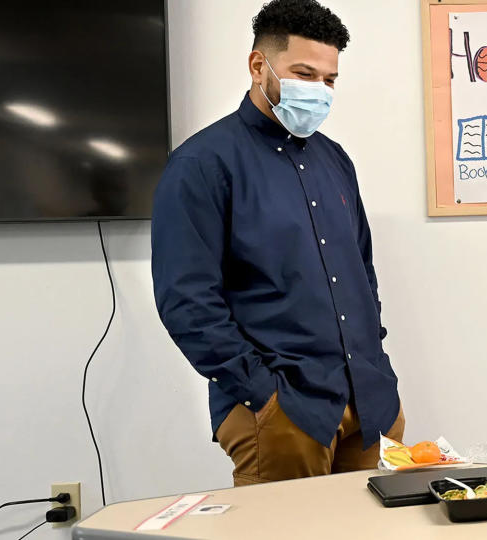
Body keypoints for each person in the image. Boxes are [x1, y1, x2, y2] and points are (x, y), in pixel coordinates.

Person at [151, 0, 403, 486]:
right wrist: (264, 396)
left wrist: (376, 363)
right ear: (258, 65)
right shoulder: (203, 165)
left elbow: (362, 271)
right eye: (304, 73)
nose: (319, 90)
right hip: (284, 412)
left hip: (369, 404)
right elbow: (186, 301)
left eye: (329, 80)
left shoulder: (336, 161)